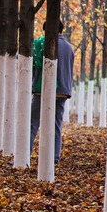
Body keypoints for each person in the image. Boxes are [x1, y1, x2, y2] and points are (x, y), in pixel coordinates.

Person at [30, 21, 74, 164]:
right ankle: (55, 157)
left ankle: (25, 153)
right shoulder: (69, 48)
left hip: (42, 90)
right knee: (56, 125)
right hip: (63, 91)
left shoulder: (44, 45)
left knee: (32, 123)